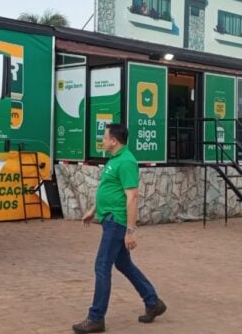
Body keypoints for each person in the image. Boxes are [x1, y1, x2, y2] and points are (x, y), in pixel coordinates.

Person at [72, 124, 166, 334]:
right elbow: (109, 188)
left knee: (102, 266)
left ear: (114, 141)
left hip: (117, 222)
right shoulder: (114, 160)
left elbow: (132, 196)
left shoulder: (126, 162)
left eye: (105, 138)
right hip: (108, 218)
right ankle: (153, 302)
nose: (102, 141)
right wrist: (93, 209)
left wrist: (130, 230)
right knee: (123, 264)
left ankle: (96, 318)